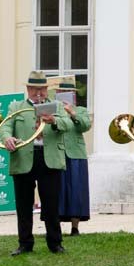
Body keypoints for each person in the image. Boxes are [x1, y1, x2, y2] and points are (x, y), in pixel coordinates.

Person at [0, 71, 73, 256]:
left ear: (46, 89)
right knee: (24, 204)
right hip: (23, 157)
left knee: (51, 203)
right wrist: (7, 138)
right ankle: (25, 243)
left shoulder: (56, 106)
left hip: (49, 158)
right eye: (34, 89)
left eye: (41, 89)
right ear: (28, 89)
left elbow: (68, 125)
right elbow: (5, 126)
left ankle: (55, 243)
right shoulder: (16, 106)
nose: (38, 92)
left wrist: (54, 120)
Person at [56, 77, 92, 236]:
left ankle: (75, 227)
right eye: (62, 92)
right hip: (56, 153)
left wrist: (72, 113)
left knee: (76, 190)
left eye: (68, 92)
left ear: (74, 95)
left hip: (76, 155)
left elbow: (85, 125)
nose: (65, 94)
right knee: (56, 190)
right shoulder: (53, 109)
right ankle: (54, 225)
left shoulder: (81, 110)